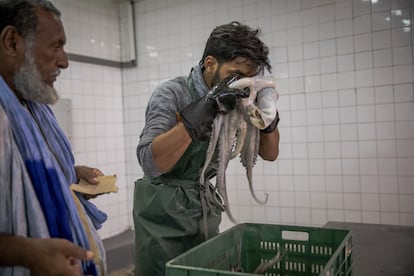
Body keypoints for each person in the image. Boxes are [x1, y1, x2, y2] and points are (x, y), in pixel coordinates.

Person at [133, 21, 280, 275]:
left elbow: (269, 153)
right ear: (210, 63)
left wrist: (268, 120)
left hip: (203, 209)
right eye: (235, 75)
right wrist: (206, 107)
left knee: (206, 268)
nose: (242, 85)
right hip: (162, 212)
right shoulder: (172, 93)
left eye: (249, 78)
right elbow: (150, 161)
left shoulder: (240, 100)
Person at [0, 0, 108, 275]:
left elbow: (23, 174)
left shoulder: (34, 108)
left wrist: (70, 173)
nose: (65, 61)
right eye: (56, 46)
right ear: (12, 42)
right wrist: (28, 253)